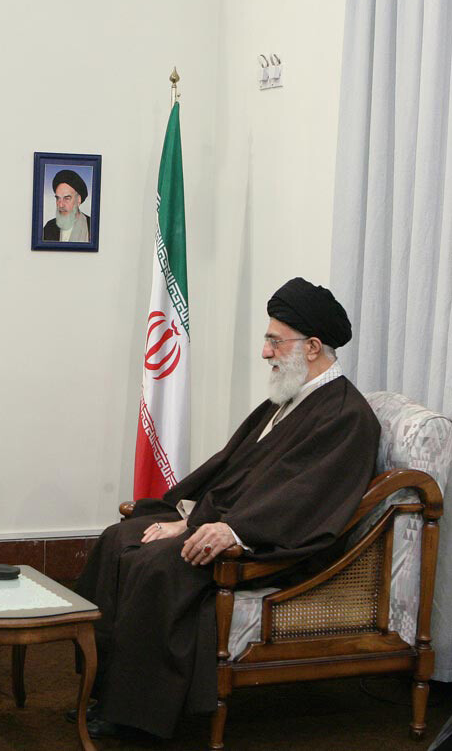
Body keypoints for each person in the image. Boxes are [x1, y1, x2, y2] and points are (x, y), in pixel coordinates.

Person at [72, 277, 380, 739]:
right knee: (119, 538)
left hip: (274, 545)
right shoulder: (292, 399)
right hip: (233, 522)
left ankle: (137, 715)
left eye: (275, 341)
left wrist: (229, 530)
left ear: (313, 347)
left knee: (159, 565)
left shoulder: (347, 416)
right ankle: (102, 688)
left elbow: (305, 500)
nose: (265, 352)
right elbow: (233, 468)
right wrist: (188, 517)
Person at [43, 168, 91, 243]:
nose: (61, 205)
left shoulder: (91, 226)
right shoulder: (49, 227)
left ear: (78, 199)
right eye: (58, 198)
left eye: (67, 198)